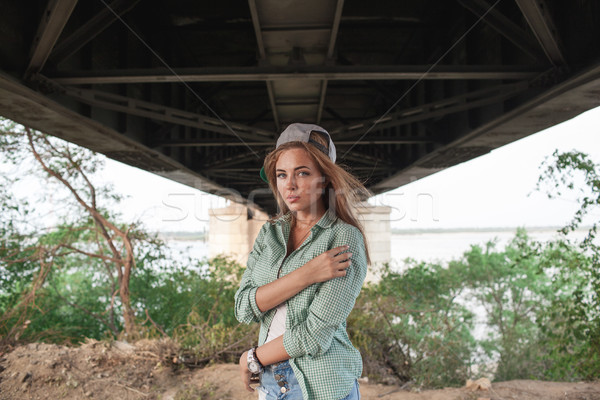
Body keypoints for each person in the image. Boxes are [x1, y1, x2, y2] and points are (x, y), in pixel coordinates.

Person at [235, 123, 371, 400]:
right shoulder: (270, 233)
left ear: (325, 178)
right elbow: (243, 308)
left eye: (303, 173)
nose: (290, 185)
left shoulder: (344, 237)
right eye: (282, 175)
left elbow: (314, 334)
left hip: (320, 384)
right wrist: (307, 274)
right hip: (270, 383)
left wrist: (253, 357)